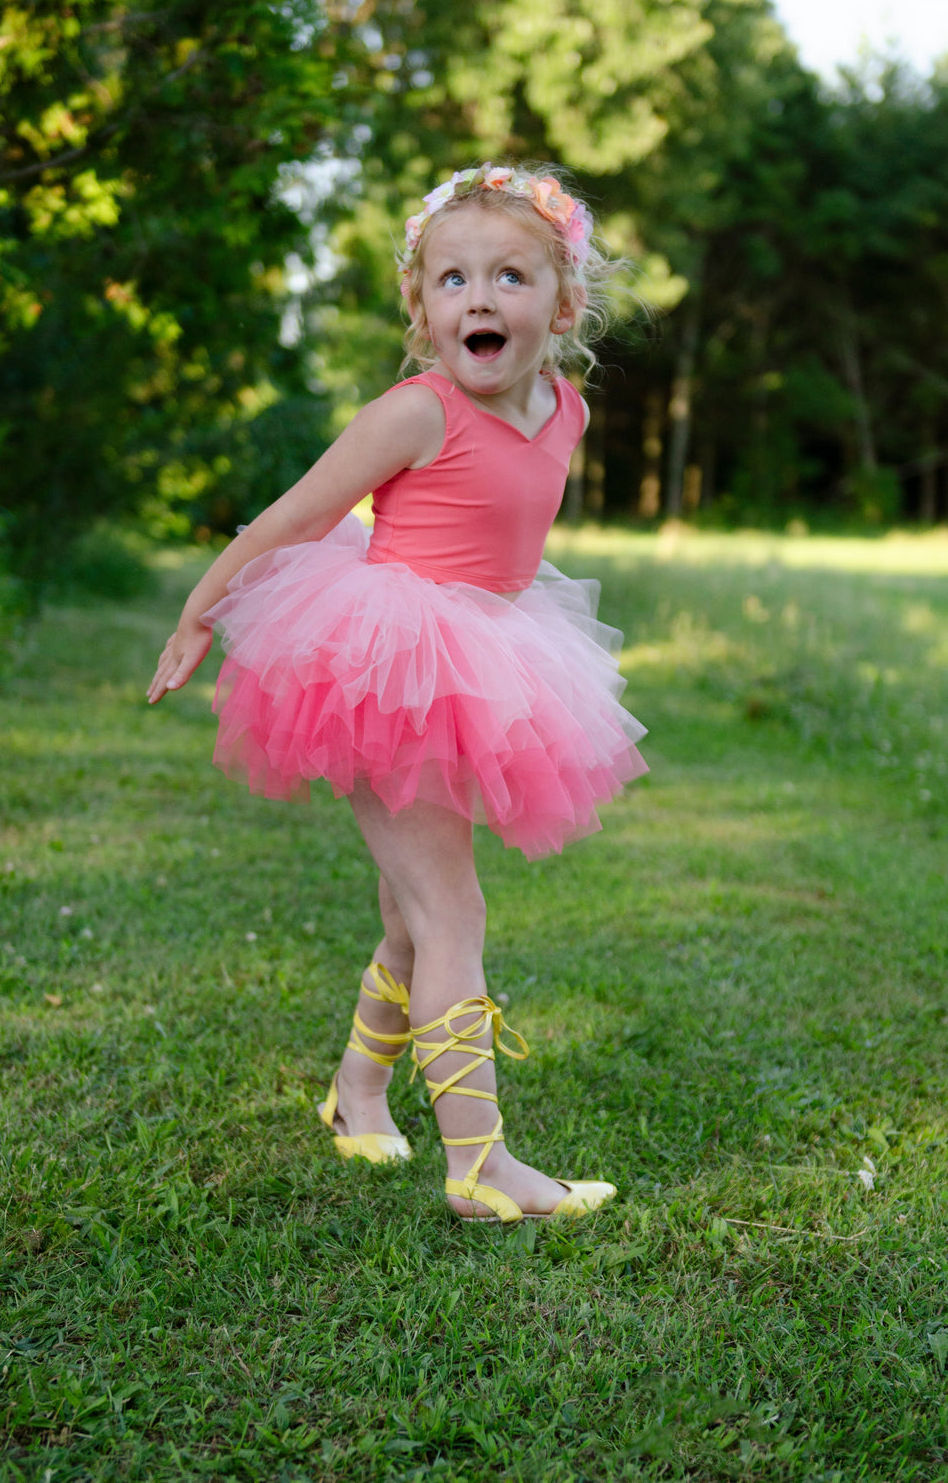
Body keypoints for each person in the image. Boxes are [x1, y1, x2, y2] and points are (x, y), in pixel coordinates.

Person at [148, 164, 647, 1223]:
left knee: (413, 915)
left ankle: (359, 1093)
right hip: (381, 665)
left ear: (562, 305)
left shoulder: (567, 410)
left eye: (509, 276)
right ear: (420, 308)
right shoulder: (412, 415)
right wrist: (200, 612)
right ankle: (479, 1164)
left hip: (489, 663)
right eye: (452, 278)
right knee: (449, 904)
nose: (479, 297)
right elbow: (286, 518)